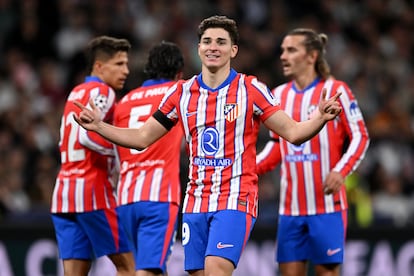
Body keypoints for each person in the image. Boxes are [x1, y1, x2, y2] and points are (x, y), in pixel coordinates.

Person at [73, 16, 342, 276]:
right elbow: (143, 137)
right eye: (207, 41)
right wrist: (98, 126)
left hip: (235, 198)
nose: (213, 47)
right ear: (199, 47)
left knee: (217, 270)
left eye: (221, 42)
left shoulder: (250, 89)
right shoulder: (181, 93)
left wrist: (319, 118)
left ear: (233, 49)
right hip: (195, 202)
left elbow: (293, 132)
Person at [256, 28, 370, 276]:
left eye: (291, 50)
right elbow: (276, 146)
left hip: (327, 207)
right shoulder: (277, 95)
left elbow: (361, 136)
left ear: (312, 56)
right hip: (290, 209)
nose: (283, 56)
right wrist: (248, 168)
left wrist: (341, 171)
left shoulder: (337, 90)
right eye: (282, 50)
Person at [50, 35, 135, 276]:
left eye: (126, 64)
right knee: (128, 266)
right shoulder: (102, 91)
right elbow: (86, 135)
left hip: (64, 192)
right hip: (92, 191)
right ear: (99, 66)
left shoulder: (75, 92)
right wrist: (124, 150)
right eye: (119, 64)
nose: (126, 70)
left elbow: (64, 139)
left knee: (74, 273)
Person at [113, 41, 184, 275]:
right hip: (158, 198)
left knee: (131, 270)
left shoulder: (124, 102)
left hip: (124, 199)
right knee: (149, 270)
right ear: (179, 73)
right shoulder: (180, 92)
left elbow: (115, 153)